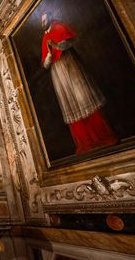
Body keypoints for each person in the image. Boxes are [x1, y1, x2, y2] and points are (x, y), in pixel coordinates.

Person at [41, 12, 118, 155]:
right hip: (58, 75)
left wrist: (56, 45)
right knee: (70, 104)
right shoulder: (44, 37)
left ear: (50, 18)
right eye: (42, 20)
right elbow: (45, 64)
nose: (43, 22)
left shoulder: (59, 27)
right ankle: (85, 143)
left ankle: (104, 137)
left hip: (71, 68)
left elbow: (70, 42)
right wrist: (49, 56)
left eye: (45, 19)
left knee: (84, 98)